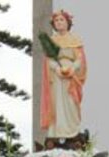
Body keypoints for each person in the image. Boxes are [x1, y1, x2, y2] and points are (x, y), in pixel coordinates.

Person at [40, 10, 87, 140]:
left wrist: (73, 68)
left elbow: (80, 59)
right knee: (57, 103)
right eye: (56, 20)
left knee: (71, 102)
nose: (59, 22)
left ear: (68, 22)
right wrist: (57, 69)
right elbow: (49, 60)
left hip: (71, 76)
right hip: (57, 76)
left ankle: (72, 131)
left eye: (61, 20)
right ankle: (57, 131)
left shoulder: (75, 40)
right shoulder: (52, 41)